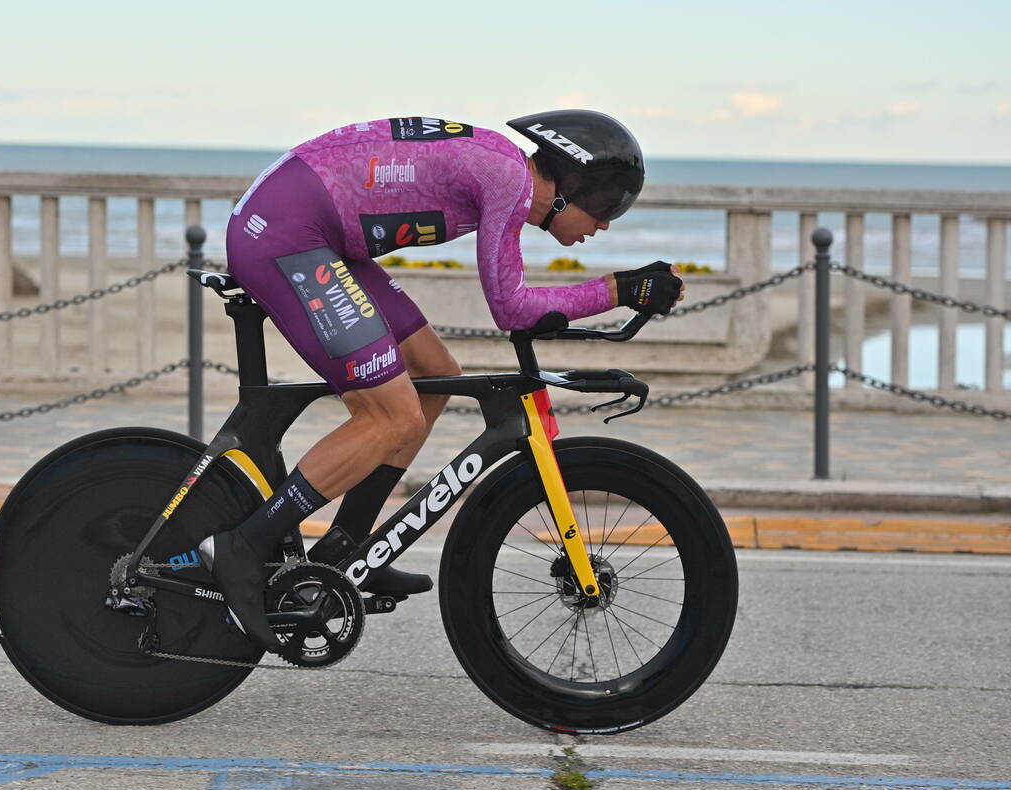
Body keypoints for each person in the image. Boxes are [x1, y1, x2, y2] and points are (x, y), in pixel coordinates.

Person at [199, 110, 686, 651]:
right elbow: (513, 309)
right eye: (607, 205)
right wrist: (617, 290)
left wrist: (621, 288)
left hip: (315, 232)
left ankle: (347, 544)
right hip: (288, 234)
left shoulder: (503, 169)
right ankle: (244, 544)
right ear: (570, 187)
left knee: (438, 376)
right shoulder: (508, 180)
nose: (606, 224)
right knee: (393, 414)